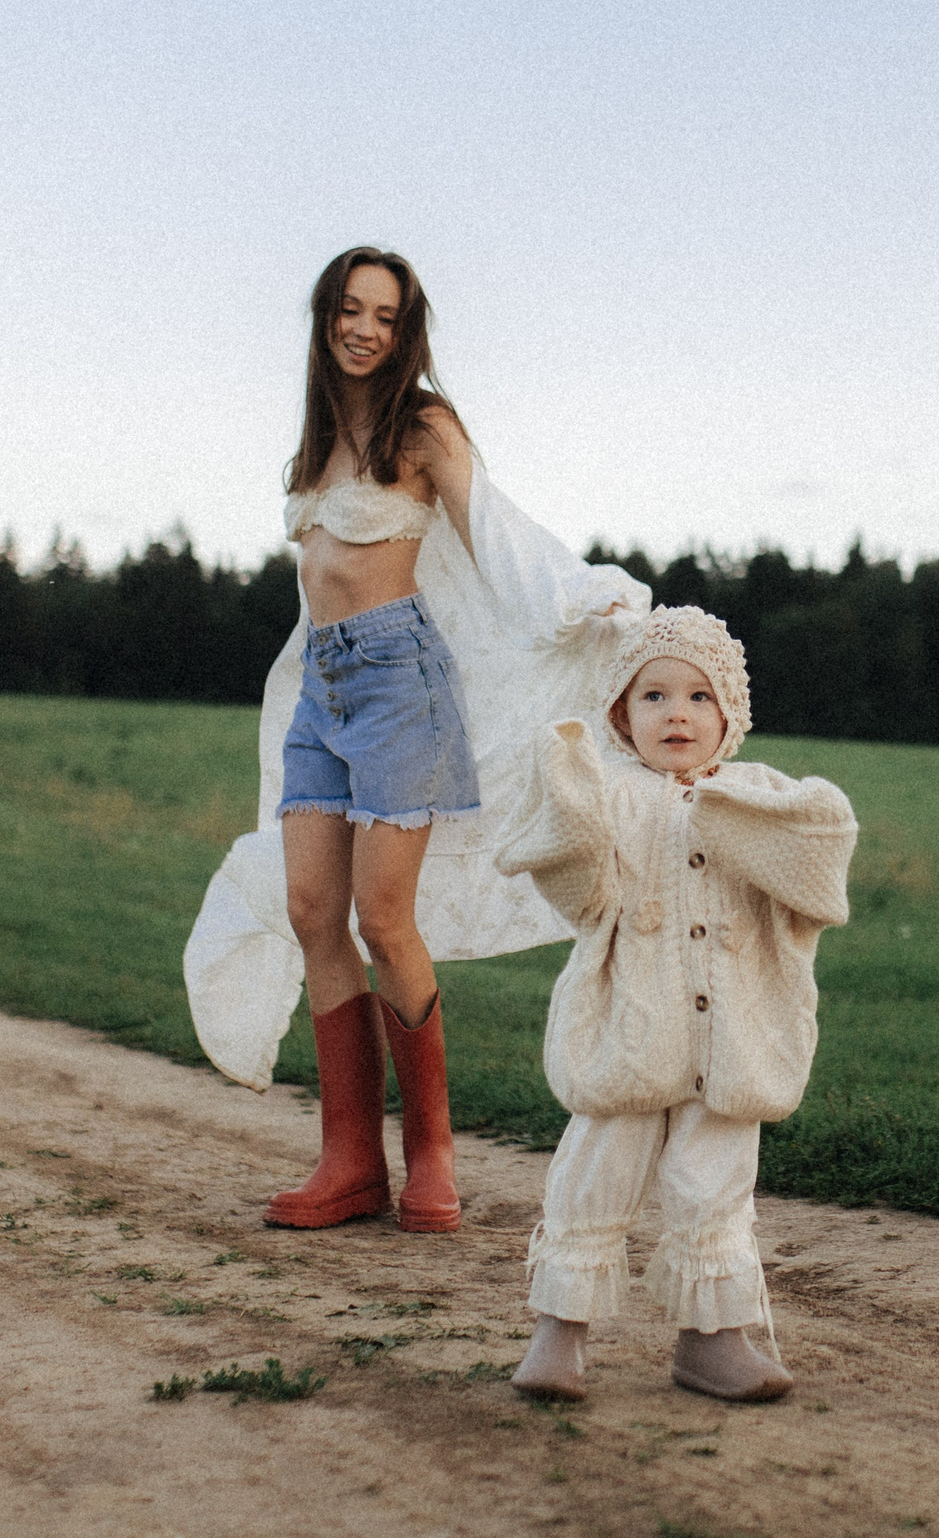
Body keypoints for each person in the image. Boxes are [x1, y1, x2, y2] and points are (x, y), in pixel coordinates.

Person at [182, 247, 649, 1233]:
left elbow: (499, 537)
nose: (363, 328)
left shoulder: (423, 424)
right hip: (324, 687)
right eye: (348, 310)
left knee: (383, 917)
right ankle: (348, 1159)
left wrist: (588, 606)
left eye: (384, 316)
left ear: (406, 330)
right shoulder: (317, 441)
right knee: (316, 910)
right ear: (324, 318)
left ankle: (430, 1154)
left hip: (401, 685)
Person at [495, 608, 858, 1402]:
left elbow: (819, 862)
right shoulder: (616, 795)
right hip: (634, 1028)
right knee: (597, 1170)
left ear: (730, 713)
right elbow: (583, 892)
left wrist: (739, 820)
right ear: (622, 713)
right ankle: (559, 1333)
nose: (678, 714)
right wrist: (567, 794)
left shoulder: (758, 794)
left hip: (733, 1037)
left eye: (699, 697)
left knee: (714, 1182)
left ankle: (712, 1340)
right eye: (654, 696)